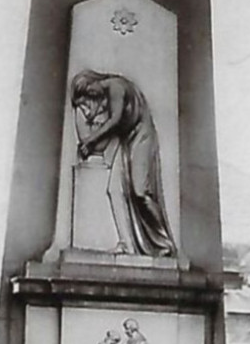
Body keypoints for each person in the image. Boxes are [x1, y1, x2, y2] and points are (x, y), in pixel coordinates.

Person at [70, 70, 181, 261]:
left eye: (89, 91)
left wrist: (90, 140)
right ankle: (127, 243)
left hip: (141, 137)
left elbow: (116, 120)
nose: (91, 96)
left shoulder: (116, 87)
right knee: (115, 189)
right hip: (128, 140)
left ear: (93, 81)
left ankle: (163, 243)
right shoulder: (105, 95)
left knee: (141, 192)